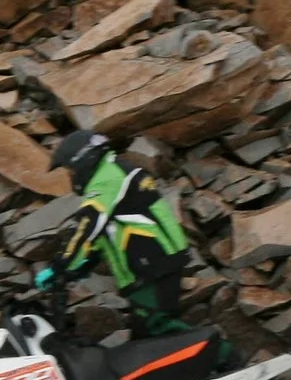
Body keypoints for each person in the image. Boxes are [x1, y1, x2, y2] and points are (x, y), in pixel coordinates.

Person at [35, 131, 198, 339]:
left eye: (70, 170)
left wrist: (59, 266)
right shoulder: (114, 171)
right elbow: (106, 232)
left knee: (155, 327)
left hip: (153, 262)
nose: (70, 176)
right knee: (146, 333)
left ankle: (221, 353)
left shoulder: (107, 178)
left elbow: (88, 226)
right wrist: (78, 268)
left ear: (83, 161)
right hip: (152, 261)